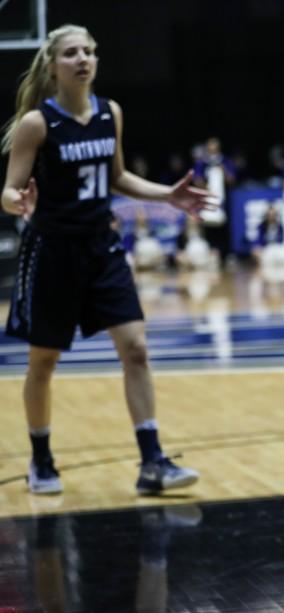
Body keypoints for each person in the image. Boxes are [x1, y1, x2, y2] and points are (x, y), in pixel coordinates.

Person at [1, 24, 212, 496]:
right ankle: (41, 459)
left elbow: (116, 177)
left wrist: (168, 196)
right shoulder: (38, 123)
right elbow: (9, 190)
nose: (83, 59)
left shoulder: (108, 113)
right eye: (72, 52)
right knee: (44, 362)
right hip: (52, 250)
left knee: (136, 349)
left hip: (102, 247)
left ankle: (153, 462)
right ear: (53, 65)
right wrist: (19, 202)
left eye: (90, 51)